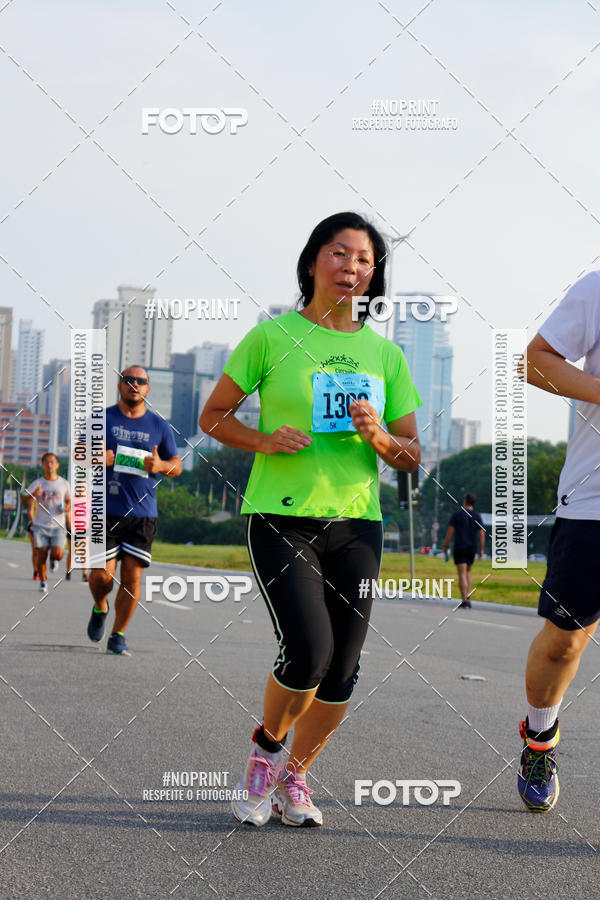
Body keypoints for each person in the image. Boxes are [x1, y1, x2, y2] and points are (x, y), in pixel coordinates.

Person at [200, 211, 422, 828]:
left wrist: (380, 438)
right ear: (312, 261)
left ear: (373, 275)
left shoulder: (385, 356)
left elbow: (412, 452)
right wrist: (264, 440)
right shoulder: (272, 338)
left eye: (363, 259)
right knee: (308, 651)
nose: (350, 266)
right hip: (281, 517)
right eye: (339, 253)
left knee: (343, 672)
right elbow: (214, 416)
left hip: (357, 524)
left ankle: (296, 776)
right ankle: (266, 753)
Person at [516, 271, 600, 813]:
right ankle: (539, 738)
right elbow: (534, 360)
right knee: (567, 639)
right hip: (594, 501)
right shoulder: (597, 289)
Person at [85, 365, 182, 655]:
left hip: (143, 514)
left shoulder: (159, 425)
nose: (134, 385)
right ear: (120, 385)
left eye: (140, 381)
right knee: (101, 576)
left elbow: (176, 464)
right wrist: (96, 457)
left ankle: (118, 634)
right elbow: (78, 453)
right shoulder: (101, 418)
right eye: (128, 380)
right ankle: (100, 606)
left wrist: (161, 466)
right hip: (106, 510)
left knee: (132, 578)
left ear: (148, 389)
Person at [23, 453, 71, 592]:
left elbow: (69, 501)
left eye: (52, 462)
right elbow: (23, 500)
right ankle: (43, 581)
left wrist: (67, 507)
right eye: (46, 462)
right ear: (42, 465)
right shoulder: (37, 483)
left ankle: (53, 559)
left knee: (58, 554)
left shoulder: (64, 483)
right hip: (40, 525)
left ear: (57, 465)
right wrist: (33, 494)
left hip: (58, 525)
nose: (49, 465)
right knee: (41, 553)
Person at [442, 493, 485, 609]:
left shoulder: (457, 515)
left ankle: (464, 599)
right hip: (472, 548)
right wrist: (481, 549)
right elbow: (481, 533)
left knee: (462, 573)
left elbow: (450, 532)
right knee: (468, 572)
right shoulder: (477, 516)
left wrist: (445, 546)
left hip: (460, 546)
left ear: (465, 501)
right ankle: (468, 595)